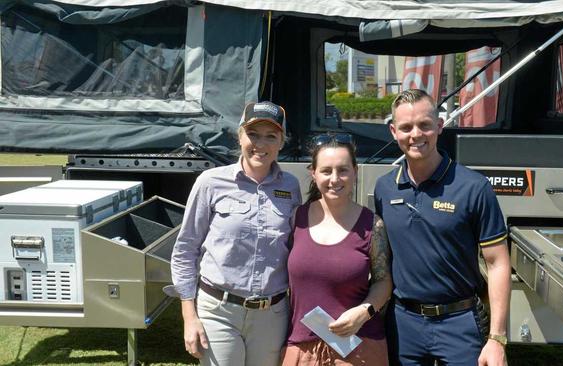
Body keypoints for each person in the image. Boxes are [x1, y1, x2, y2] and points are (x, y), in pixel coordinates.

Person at [374, 89, 511, 366]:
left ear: (439, 125)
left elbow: (498, 264)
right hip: (404, 323)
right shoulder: (384, 188)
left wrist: (497, 339)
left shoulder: (473, 187)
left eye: (425, 124)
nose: (416, 134)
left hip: (459, 322)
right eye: (406, 127)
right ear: (393, 131)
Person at [165, 101, 302, 366]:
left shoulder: (291, 187)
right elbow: (185, 250)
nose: (260, 144)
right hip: (218, 311)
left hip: (271, 315)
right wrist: (189, 317)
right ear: (239, 136)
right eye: (253, 134)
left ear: (281, 143)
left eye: (270, 136)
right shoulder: (210, 182)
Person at [281, 134, 392, 366]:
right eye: (326, 171)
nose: (335, 179)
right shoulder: (296, 219)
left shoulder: (372, 225)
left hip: (359, 347)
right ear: (313, 173)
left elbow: (383, 280)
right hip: (302, 347)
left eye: (343, 170)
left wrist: (363, 312)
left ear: (355, 171)